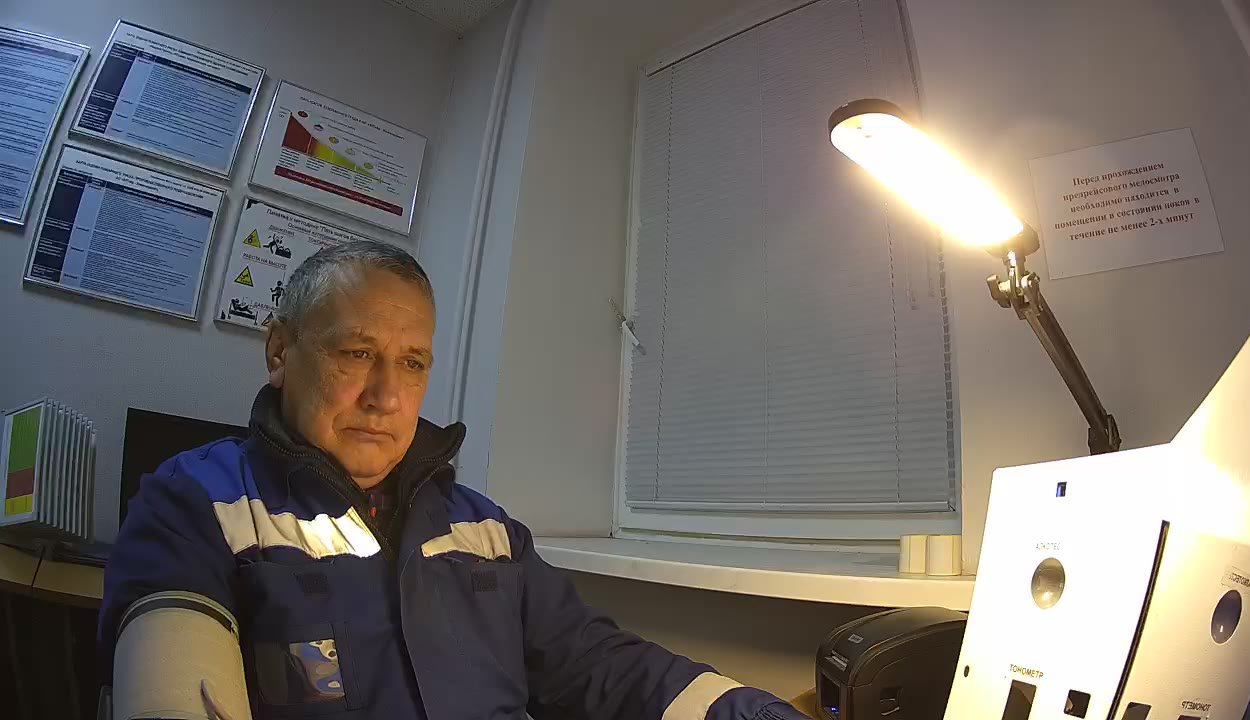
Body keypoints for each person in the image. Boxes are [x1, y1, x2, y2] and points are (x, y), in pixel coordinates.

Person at [100, 241, 808, 720]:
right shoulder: (195, 503)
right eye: (357, 353)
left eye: (412, 364)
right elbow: (171, 692)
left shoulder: (488, 531)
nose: (386, 396)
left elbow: (601, 666)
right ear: (280, 352)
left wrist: (754, 712)